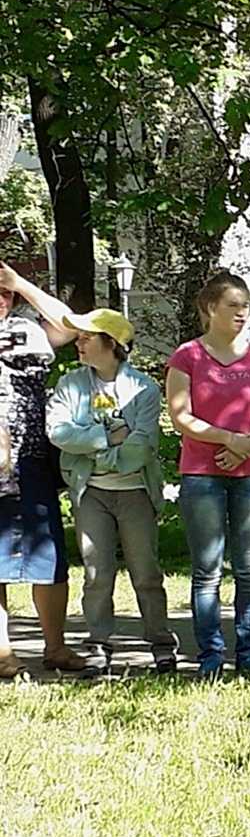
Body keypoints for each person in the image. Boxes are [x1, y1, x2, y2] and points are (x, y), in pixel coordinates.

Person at [45, 306, 178, 674]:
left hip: (135, 492)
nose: (79, 343)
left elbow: (142, 445)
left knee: (146, 573)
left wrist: (92, 448)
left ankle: (161, 644)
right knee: (96, 573)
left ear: (112, 343)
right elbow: (58, 432)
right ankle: (98, 645)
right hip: (91, 492)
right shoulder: (70, 384)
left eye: (88, 337)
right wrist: (106, 438)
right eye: (80, 336)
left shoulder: (144, 388)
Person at [166, 271, 250, 676]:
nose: (241, 312)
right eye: (233, 305)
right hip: (202, 474)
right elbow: (181, 416)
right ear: (210, 308)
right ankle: (211, 657)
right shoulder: (187, 357)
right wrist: (228, 439)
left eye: (246, 305)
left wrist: (247, 444)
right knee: (207, 571)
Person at [0, 262, 88, 677]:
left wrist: (22, 284)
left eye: (4, 293)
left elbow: (69, 326)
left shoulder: (30, 328)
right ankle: (3, 654)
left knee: (49, 555)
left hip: (33, 458)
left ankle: (56, 647)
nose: (1, 300)